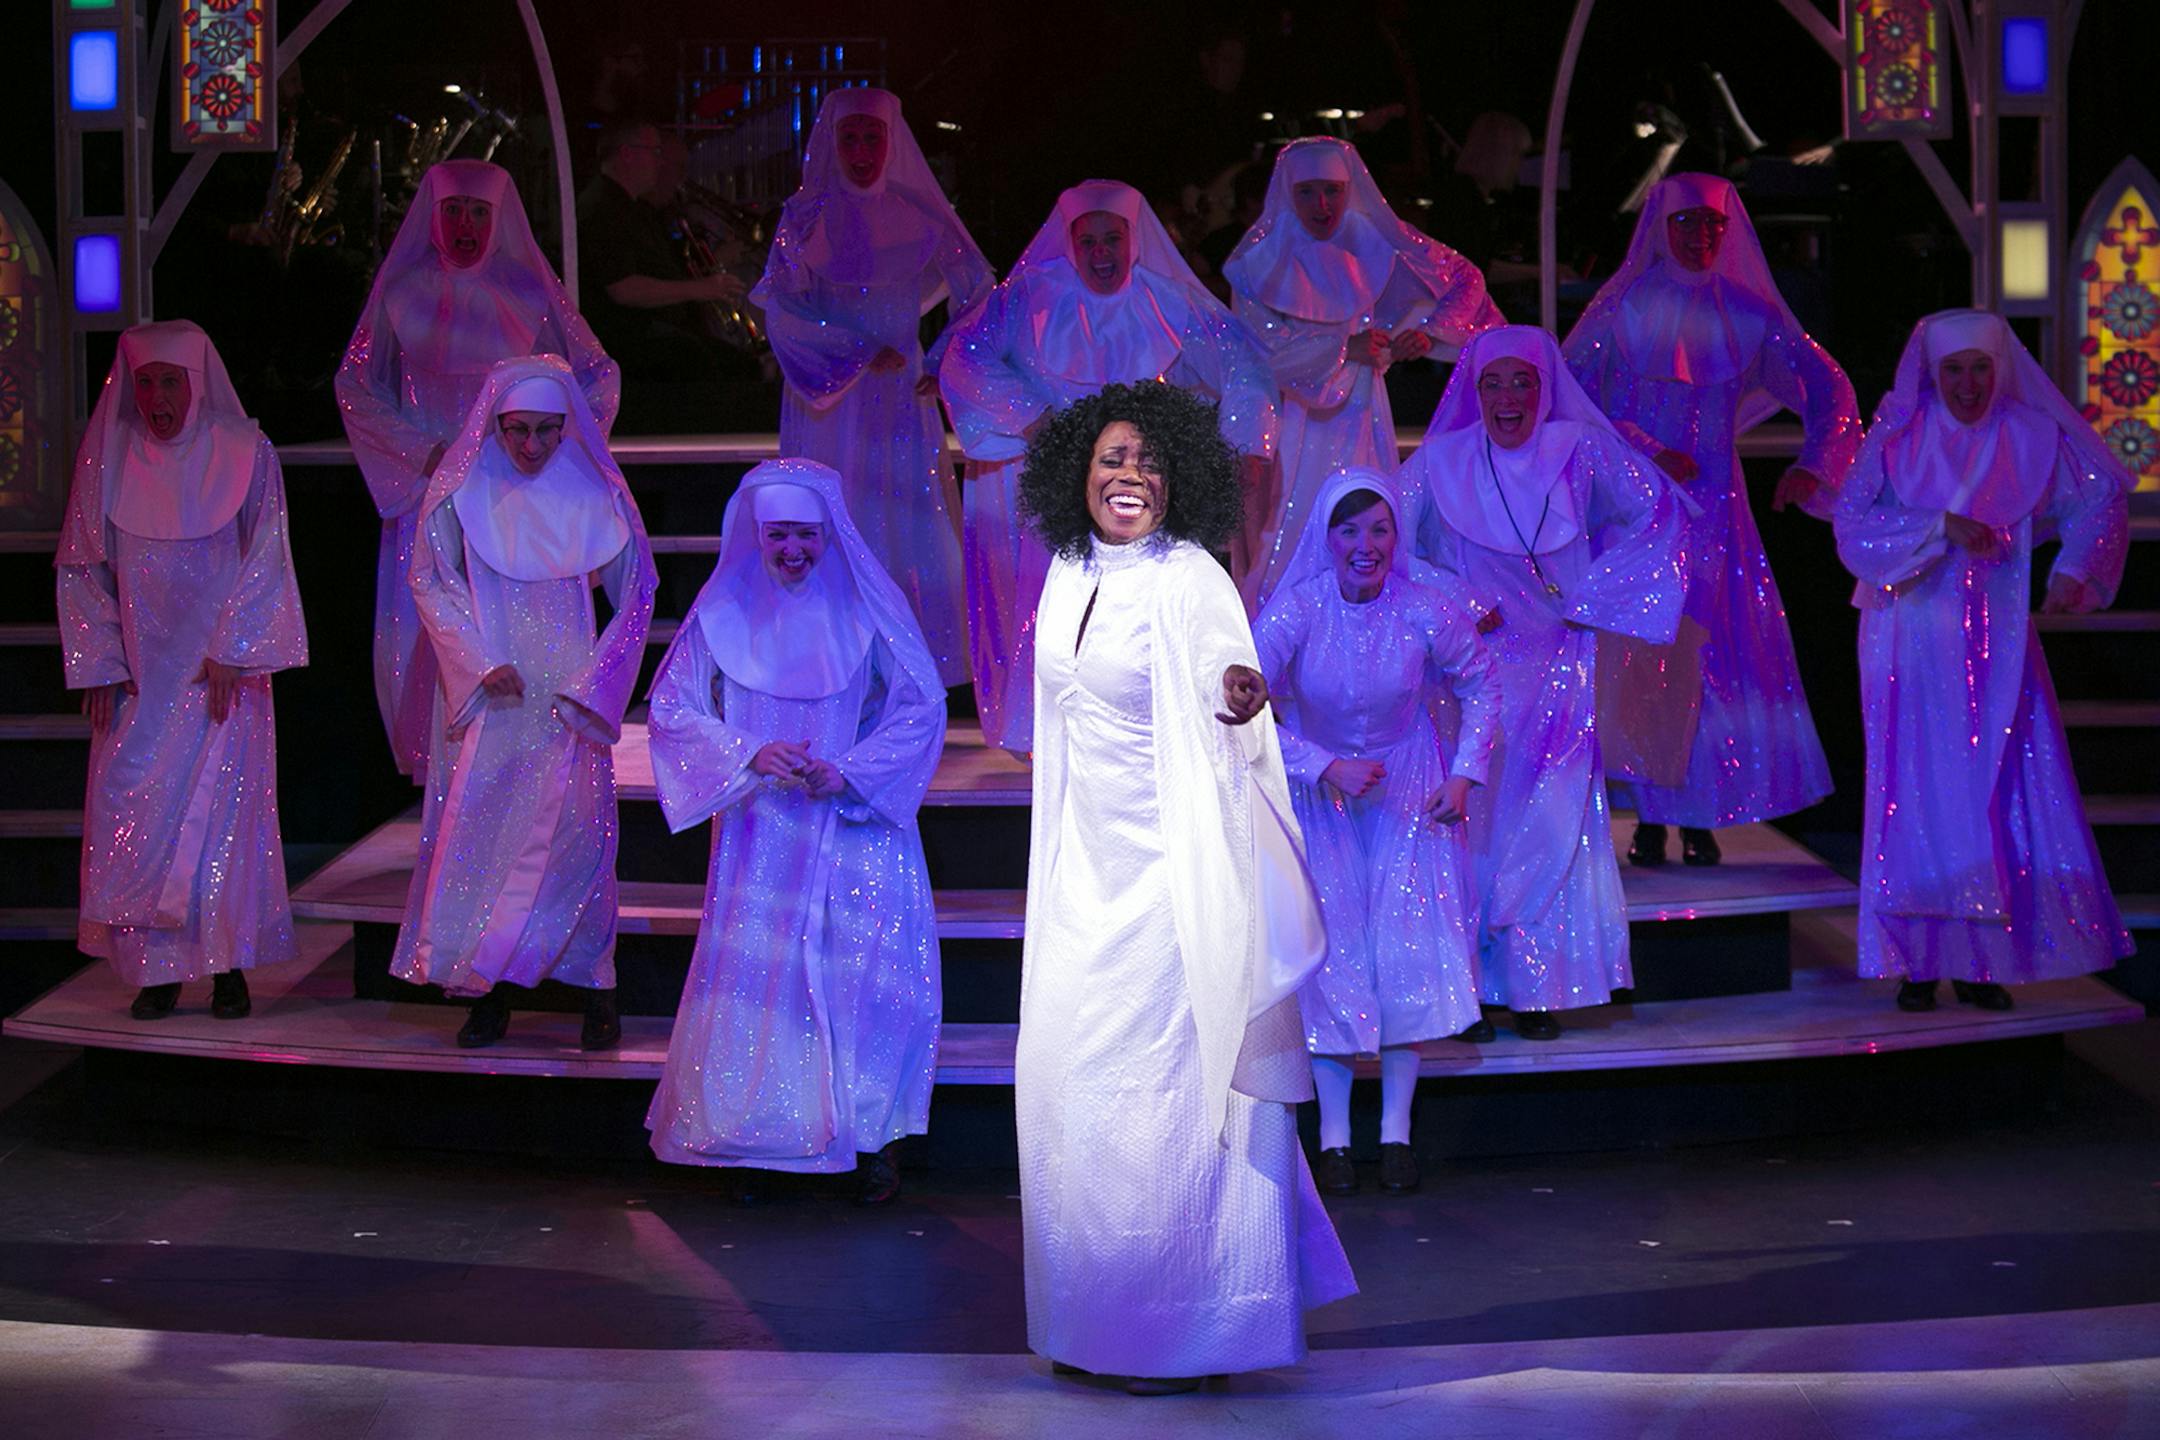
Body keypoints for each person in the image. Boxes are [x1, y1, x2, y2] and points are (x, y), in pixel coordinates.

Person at [1014, 381, 1354, 1393]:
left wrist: (1240, 699)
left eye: (1151, 463)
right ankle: (1095, 1324)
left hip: (1170, 883)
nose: (1130, 477)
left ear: (1179, 484)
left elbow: (1228, 685)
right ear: (1079, 472)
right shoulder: (1068, 570)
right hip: (1081, 878)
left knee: (1164, 1097)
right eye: (1114, 459)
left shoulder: (1190, 576)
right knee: (1073, 1090)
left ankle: (1185, 1335)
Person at [643, 459, 946, 1204]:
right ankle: (760, 1141)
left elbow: (921, 706)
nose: (793, 550)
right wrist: (746, 751)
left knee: (864, 983)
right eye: (779, 534)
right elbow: (673, 710)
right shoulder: (722, 612)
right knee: (764, 987)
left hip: (853, 826)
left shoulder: (867, 608)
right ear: (757, 534)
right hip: (763, 832)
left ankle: (873, 1139)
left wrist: (853, 770)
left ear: (830, 536)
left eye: (807, 535)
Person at [1832, 309, 2134, 1011]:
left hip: (1998, 638)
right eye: (1953, 370)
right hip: (1908, 636)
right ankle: (1917, 960)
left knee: (1994, 791)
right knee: (1915, 792)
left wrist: (2075, 569)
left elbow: (2101, 493)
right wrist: (1938, 525)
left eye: (1979, 368)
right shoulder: (1900, 436)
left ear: (2000, 370)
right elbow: (1852, 527)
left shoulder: (2029, 434)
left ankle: (1983, 960)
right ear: (1933, 373)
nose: (1967, 384)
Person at [1563, 173, 1859, 866]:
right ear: (1660, 227)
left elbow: (1827, 385)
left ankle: (1698, 814)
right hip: (1634, 510)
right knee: (1640, 658)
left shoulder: (1748, 311)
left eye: (1713, 224)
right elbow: (1569, 394)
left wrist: (1816, 461)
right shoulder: (1621, 308)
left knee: (1710, 658)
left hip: (1717, 515)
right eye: (1686, 222)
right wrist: (1642, 449)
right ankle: (1649, 816)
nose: (1700, 236)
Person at [1403, 326, 1686, 1040]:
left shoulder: (1580, 452)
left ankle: (1533, 988)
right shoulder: (1439, 462)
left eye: (1522, 381)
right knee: (1472, 824)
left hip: (1561, 666)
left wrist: (1600, 596)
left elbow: (1661, 512)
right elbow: (1390, 544)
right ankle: (1468, 991)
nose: (1509, 397)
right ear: (1475, 392)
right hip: (1474, 674)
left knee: (1551, 825)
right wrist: (1461, 602)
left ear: (1545, 387)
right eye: (1493, 383)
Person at [940, 180, 1279, 756]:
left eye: (1112, 239)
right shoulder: (1027, 298)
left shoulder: (1169, 301)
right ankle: (1038, 729)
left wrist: (1245, 446)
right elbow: (965, 357)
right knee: (1050, 601)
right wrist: (1034, 418)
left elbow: (1245, 366)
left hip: (1135, 488)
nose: (1101, 253)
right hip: (1053, 484)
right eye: (1088, 241)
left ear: (1133, 239)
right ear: (1070, 242)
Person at [390, 357, 655, 1050]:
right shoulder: (461, 488)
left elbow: (636, 594)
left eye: (545, 430)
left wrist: (596, 685)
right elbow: (429, 579)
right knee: (486, 844)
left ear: (567, 428)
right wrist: (477, 660)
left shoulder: (595, 490)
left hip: (567, 701)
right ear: (495, 426)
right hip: (495, 698)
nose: (531, 445)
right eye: (517, 431)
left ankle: (596, 988)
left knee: (579, 846)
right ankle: (488, 990)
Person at [1253, 467, 1497, 1195]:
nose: (1366, 544)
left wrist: (1465, 773)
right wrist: (1322, 764)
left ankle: (1395, 1135)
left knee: (1404, 952)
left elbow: (1482, 682)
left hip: (1409, 792)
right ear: (1327, 538)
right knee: (1332, 955)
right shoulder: (1299, 609)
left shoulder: (1423, 608)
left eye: (1380, 529)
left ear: (1397, 537)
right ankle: (1334, 1138)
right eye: (1350, 530)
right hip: (1321, 796)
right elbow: (1238, 703)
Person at [57, 321, 308, 1020]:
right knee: (136, 815)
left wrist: (236, 647)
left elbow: (268, 551)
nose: (157, 397)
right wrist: (100, 660)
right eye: (146, 383)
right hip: (144, 678)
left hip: (218, 678)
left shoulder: (247, 451)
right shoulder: (108, 459)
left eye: (170, 381)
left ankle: (227, 969)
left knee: (222, 823)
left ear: (196, 382)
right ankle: (155, 973)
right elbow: (82, 563)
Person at [338, 160, 619, 782]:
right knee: (431, 627)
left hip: (514, 493)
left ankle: (521, 766)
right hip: (431, 487)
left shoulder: (529, 293)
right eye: (454, 210)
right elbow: (356, 385)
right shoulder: (400, 291)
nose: (465, 224)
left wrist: (553, 453)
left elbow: (595, 377)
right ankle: (438, 781)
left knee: (512, 628)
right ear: (433, 217)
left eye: (478, 212)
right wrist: (420, 450)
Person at [754, 88, 993, 686]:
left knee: (905, 518)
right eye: (850, 138)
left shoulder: (920, 215)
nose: (861, 151)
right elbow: (783, 312)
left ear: (892, 142)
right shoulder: (804, 219)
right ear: (832, 143)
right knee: (835, 509)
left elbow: (978, 290)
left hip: (899, 402)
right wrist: (854, 350)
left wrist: (943, 359)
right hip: (829, 401)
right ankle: (826, 664)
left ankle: (905, 671)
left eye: (872, 137)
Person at [1226, 138, 1501, 610]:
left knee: (1367, 514)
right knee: (1292, 524)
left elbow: (1464, 280)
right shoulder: (1259, 263)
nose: (1322, 204)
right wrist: (1341, 348)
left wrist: (1429, 332)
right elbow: (1256, 358)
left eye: (1332, 190)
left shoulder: (1374, 240)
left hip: (1360, 409)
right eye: (1308, 191)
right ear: (1288, 192)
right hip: (1293, 419)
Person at [576, 120, 745, 431]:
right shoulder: (601, 208)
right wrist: (701, 289)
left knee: (734, 361)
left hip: (649, 329)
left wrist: (709, 269)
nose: (660, 162)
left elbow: (661, 272)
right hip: (622, 337)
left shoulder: (633, 209)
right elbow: (623, 289)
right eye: (654, 152)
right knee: (700, 361)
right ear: (627, 154)